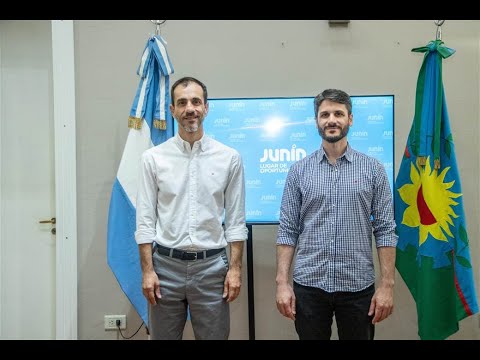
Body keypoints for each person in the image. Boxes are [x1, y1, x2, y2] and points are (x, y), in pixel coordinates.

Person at [275, 89, 398, 340]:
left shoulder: (373, 170)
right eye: (325, 114)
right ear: (317, 121)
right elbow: (288, 229)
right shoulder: (298, 171)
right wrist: (282, 283)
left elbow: (385, 229)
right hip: (309, 286)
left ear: (350, 119)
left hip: (357, 286)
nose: (332, 120)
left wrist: (387, 285)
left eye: (338, 114)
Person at [135, 76, 248, 340]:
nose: (190, 109)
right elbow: (145, 220)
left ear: (206, 108)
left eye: (196, 102)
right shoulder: (152, 159)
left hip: (212, 269)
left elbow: (235, 221)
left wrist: (234, 270)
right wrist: (148, 271)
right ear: (172, 110)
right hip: (164, 269)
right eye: (182, 102)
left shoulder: (229, 158)